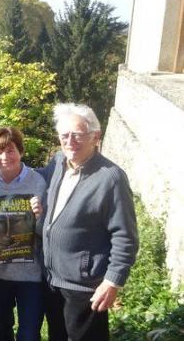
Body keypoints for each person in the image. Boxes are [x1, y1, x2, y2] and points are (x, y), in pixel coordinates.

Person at [43, 103, 138, 341]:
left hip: (85, 287)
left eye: (77, 134)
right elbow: (33, 175)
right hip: (53, 282)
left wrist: (113, 281)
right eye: (64, 135)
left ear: (96, 137)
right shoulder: (58, 163)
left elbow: (125, 236)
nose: (70, 141)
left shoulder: (111, 177)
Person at [0, 127, 46, 341]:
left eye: (10, 150)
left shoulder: (38, 182)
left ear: (21, 151)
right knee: (1, 331)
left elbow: (48, 229)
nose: (5, 157)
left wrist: (39, 215)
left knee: (28, 334)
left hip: (31, 275)